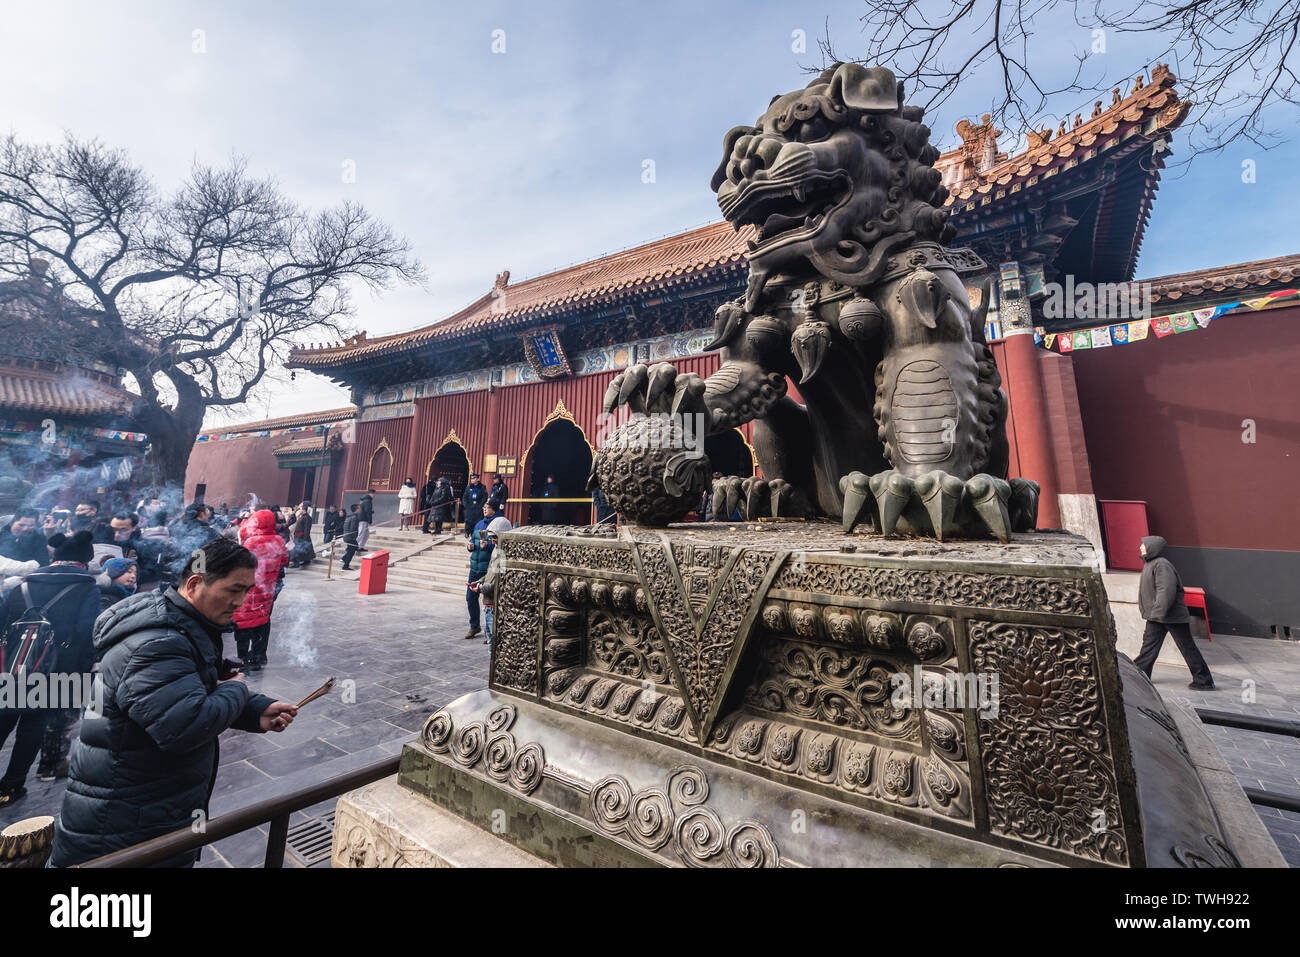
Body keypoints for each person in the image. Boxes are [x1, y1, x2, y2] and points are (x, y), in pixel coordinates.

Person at [47, 538, 299, 867]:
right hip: (124, 821)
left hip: (149, 804)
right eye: (233, 589)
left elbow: (186, 692)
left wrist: (254, 710)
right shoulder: (158, 642)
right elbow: (185, 726)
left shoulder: (182, 624)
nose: (240, 601)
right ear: (195, 584)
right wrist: (237, 690)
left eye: (247, 590)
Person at [0, 531, 100, 801]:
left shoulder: (23, 584)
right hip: (58, 668)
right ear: (85, 559)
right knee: (33, 726)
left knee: (4, 718)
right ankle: (11, 786)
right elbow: (85, 632)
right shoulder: (86, 587)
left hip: (14, 663)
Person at [1134, 535, 1215, 690]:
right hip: (1158, 616)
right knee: (1149, 647)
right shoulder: (1151, 564)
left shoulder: (1162, 565)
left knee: (1187, 647)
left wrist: (1158, 612)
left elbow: (1166, 591)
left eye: (1143, 545)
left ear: (1152, 547)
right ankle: (1140, 675)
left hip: (1170, 616)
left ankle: (1204, 681)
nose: (1140, 547)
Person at [232, 510, 288, 672]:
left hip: (249, 590)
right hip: (268, 589)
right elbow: (284, 560)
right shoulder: (278, 540)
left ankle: (242, 658)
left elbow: (239, 564)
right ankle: (259, 655)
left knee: (244, 621)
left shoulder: (251, 542)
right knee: (263, 620)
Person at [474, 516, 513, 648]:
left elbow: (496, 582)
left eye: (494, 537)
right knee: (490, 639)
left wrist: (481, 588)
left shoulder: (503, 553)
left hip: (494, 603)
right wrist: (480, 581)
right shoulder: (496, 550)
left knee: (494, 643)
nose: (492, 540)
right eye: (491, 537)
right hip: (488, 602)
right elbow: (490, 574)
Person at [464, 503, 499, 640]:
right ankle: (474, 625)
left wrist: (487, 547)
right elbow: (473, 540)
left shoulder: (497, 525)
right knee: (470, 597)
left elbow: (499, 547)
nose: (484, 509)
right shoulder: (479, 524)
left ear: (494, 509)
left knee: (488, 600)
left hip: (487, 568)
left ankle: (488, 630)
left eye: (488, 507)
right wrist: (470, 547)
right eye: (483, 507)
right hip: (475, 566)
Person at [289, 502, 315, 568]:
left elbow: (307, 529)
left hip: (302, 536)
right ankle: (297, 562)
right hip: (297, 536)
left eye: (302, 509)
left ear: (305, 510)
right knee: (297, 550)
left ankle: (298, 563)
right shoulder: (301, 517)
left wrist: (305, 538)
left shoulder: (308, 518)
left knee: (299, 550)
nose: (300, 510)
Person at [462, 474, 487, 538]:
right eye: (471, 479)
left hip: (478, 507)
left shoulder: (482, 487)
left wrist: (480, 505)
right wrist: (466, 505)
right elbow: (465, 497)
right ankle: (467, 532)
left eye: (474, 478)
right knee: (468, 520)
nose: (472, 480)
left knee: (477, 520)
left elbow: (484, 497)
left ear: (478, 479)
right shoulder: (468, 487)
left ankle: (475, 533)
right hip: (470, 507)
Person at [340, 504, 362, 571]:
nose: (360, 509)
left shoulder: (349, 516)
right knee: (352, 550)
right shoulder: (354, 518)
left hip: (346, 535)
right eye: (359, 508)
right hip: (350, 537)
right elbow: (353, 529)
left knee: (352, 548)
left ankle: (344, 559)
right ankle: (345, 566)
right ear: (356, 509)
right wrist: (353, 537)